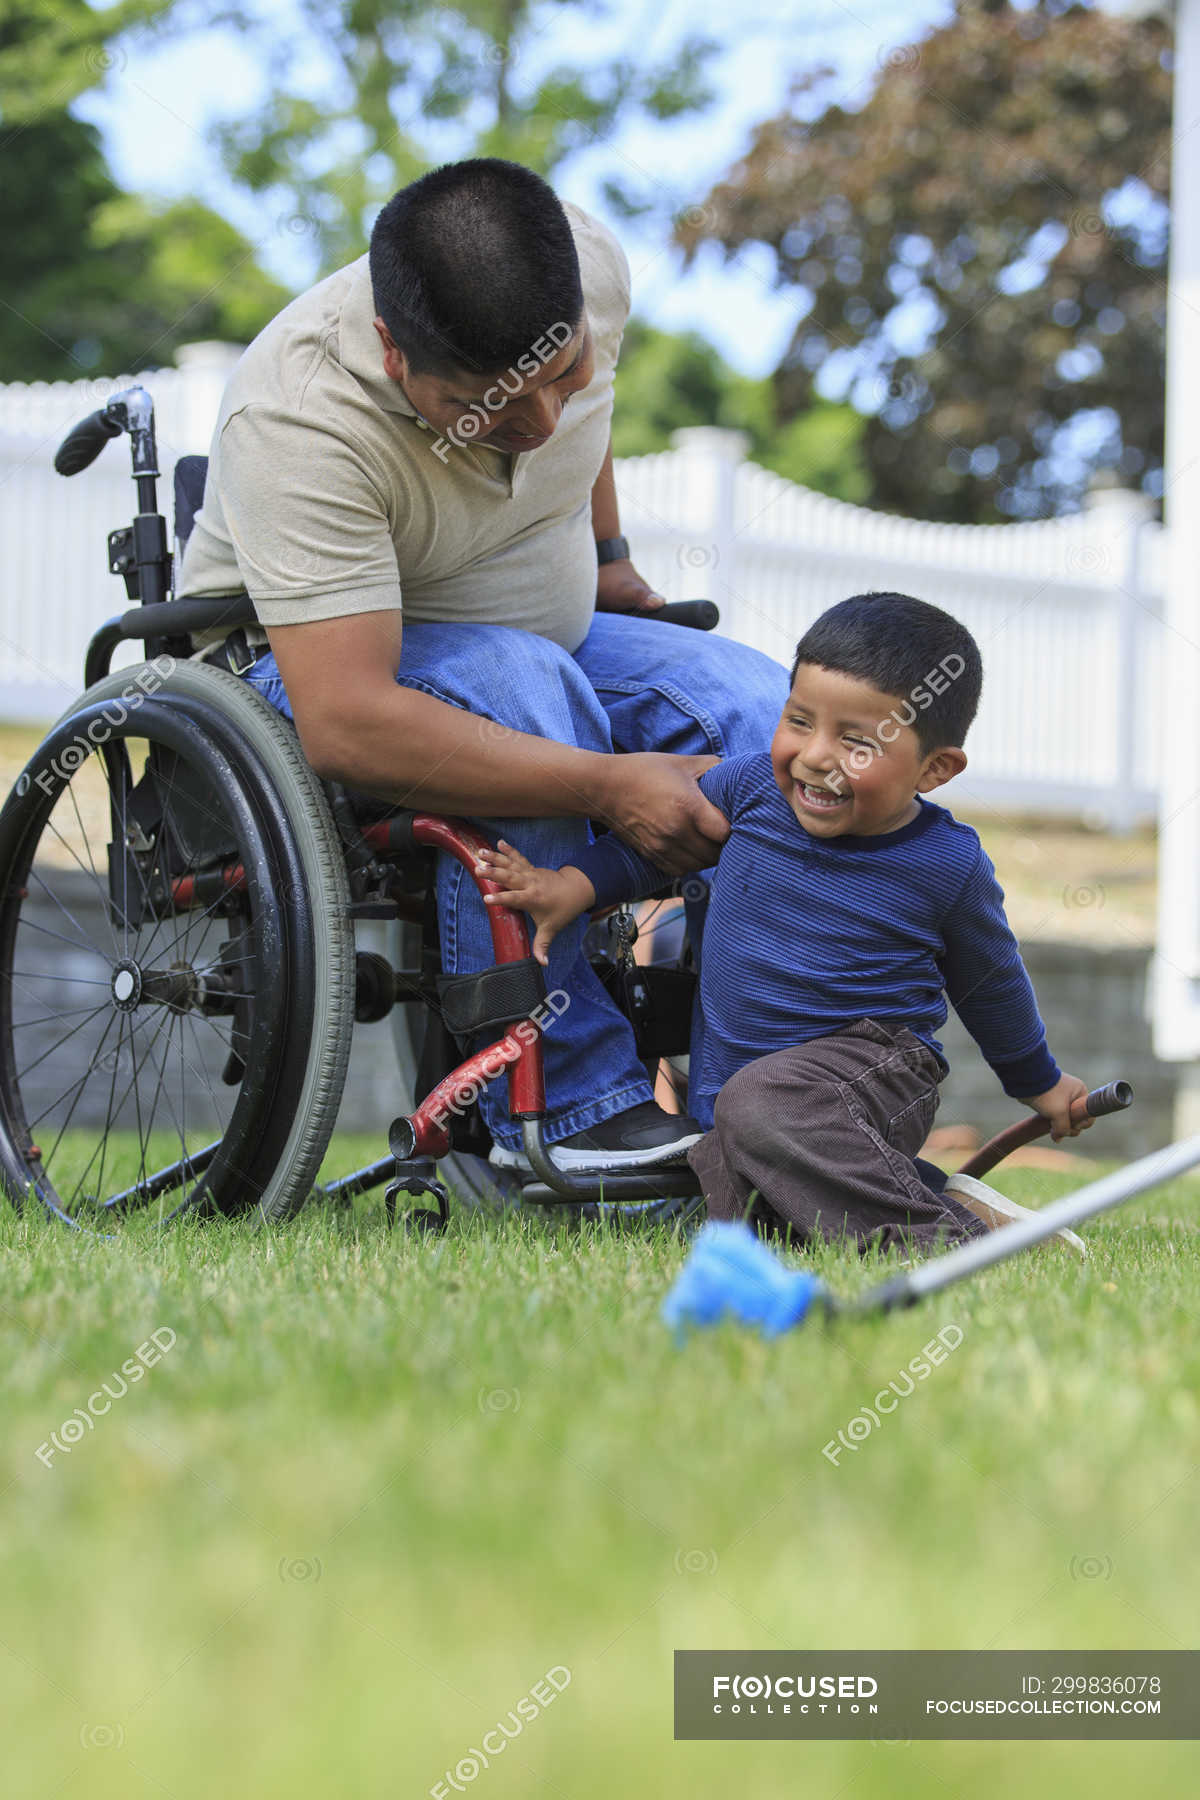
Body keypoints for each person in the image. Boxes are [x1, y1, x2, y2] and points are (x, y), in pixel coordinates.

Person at [176, 157, 790, 1172]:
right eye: (491, 405)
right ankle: (576, 1106)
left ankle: (762, 1098)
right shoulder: (298, 416)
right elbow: (348, 718)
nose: (541, 421)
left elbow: (579, 438)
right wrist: (606, 781)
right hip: (308, 668)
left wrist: (610, 560)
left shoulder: (587, 269)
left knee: (759, 715)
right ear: (393, 350)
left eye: (561, 376)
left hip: (542, 633)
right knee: (519, 688)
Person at [473, 591, 1093, 1254]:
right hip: (738, 1095)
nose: (815, 756)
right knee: (759, 1209)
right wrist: (573, 885)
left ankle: (953, 1241)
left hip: (876, 1072)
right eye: (799, 721)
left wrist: (1041, 1084)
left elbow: (991, 984)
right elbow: (651, 844)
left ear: (935, 769)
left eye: (857, 743)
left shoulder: (949, 864)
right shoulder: (750, 790)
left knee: (763, 1109)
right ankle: (934, 1195)